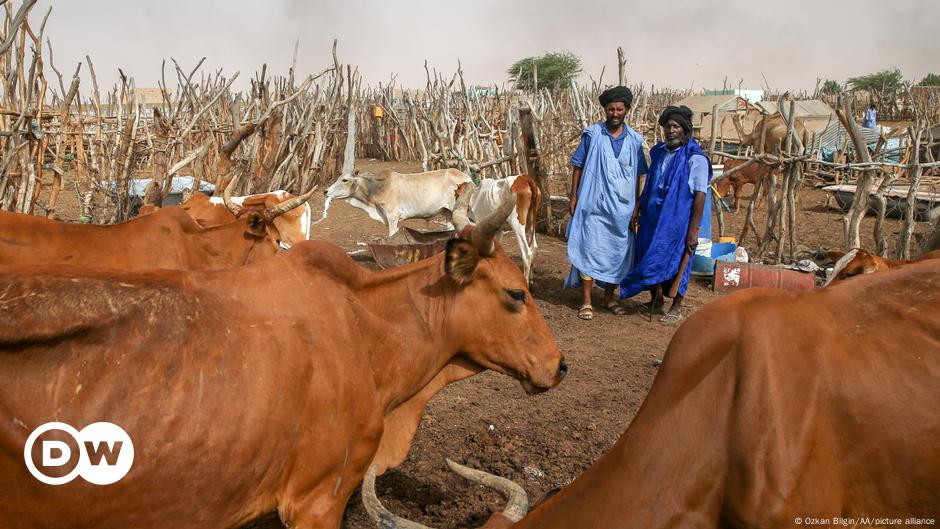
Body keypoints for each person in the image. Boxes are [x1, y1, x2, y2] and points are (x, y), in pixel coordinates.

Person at [620, 105, 710, 324]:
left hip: (677, 221)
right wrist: (639, 206)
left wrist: (693, 231)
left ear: (685, 130)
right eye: (668, 126)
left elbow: (699, 195)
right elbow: (650, 181)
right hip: (652, 216)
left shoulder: (695, 158)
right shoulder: (659, 151)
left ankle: (676, 306)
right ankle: (656, 300)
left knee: (679, 259)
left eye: (676, 126)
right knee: (649, 253)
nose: (671, 130)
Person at [565, 86, 649, 320]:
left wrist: (636, 205)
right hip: (593, 204)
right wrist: (574, 197)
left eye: (619, 109)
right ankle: (586, 301)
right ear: (605, 110)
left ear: (627, 110)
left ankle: (609, 297)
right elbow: (578, 166)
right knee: (589, 248)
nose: (615, 113)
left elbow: (638, 174)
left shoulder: (634, 140)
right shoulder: (592, 135)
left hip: (622, 209)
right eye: (610, 109)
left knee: (618, 252)